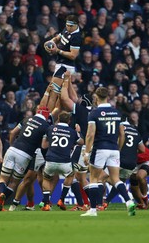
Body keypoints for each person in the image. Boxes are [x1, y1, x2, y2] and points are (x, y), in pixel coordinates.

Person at [81, 87, 136, 217]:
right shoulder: (117, 113)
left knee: (94, 178)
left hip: (100, 148)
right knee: (116, 178)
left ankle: (93, 210)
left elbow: (90, 135)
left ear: (96, 98)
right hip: (114, 149)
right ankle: (128, 201)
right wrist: (118, 148)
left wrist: (87, 152)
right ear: (107, 97)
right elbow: (122, 134)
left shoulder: (94, 113)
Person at [0, 106, 50, 211]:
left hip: (12, 149)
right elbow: (43, 145)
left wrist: (12, 145)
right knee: (14, 182)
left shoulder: (26, 119)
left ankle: (1, 194)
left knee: (3, 178)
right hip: (25, 155)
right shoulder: (45, 126)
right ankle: (4, 198)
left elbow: (12, 133)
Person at [39, 111, 84, 211]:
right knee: (70, 176)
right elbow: (81, 142)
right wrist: (78, 132)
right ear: (69, 121)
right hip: (65, 161)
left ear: (58, 119)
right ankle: (61, 199)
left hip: (50, 159)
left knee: (46, 178)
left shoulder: (50, 129)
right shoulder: (72, 132)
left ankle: (46, 203)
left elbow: (44, 145)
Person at [60, 71, 91, 211]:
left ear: (82, 103)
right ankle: (83, 203)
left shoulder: (81, 110)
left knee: (72, 175)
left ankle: (93, 201)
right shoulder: (88, 110)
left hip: (80, 146)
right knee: (80, 177)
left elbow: (65, 98)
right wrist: (70, 80)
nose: (77, 99)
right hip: (87, 146)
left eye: (80, 100)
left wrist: (65, 80)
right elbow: (74, 97)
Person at [40, 14, 82, 112]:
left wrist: (57, 50)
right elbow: (58, 37)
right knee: (66, 95)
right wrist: (51, 42)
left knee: (52, 92)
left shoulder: (76, 37)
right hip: (60, 63)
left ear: (76, 25)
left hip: (65, 66)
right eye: (67, 25)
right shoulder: (67, 29)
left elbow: (73, 55)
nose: (68, 28)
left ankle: (46, 116)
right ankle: (80, 109)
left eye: (71, 26)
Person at [103, 120, 145, 209]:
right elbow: (143, 149)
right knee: (118, 181)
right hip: (131, 163)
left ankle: (100, 202)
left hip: (118, 160)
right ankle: (106, 202)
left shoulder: (119, 129)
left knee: (101, 177)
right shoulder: (136, 131)